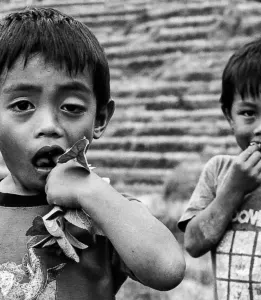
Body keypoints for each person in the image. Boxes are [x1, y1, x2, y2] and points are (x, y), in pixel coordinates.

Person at [0, 7, 186, 300]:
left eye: (71, 107)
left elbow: (168, 269)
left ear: (99, 119)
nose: (49, 126)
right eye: (23, 105)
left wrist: (91, 191)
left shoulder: (107, 211)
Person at [178, 33, 261, 300]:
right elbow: (194, 244)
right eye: (248, 113)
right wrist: (233, 189)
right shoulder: (218, 171)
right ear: (229, 116)